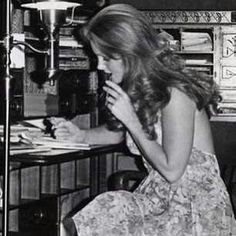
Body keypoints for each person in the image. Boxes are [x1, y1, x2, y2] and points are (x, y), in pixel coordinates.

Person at [51, 4, 236, 236]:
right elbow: (121, 133)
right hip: (160, 201)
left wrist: (131, 119)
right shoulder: (141, 87)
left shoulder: (176, 94)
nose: (99, 66)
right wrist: (80, 134)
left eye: (106, 58)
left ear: (130, 53)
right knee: (99, 214)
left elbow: (172, 170)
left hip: (196, 212)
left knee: (110, 211)